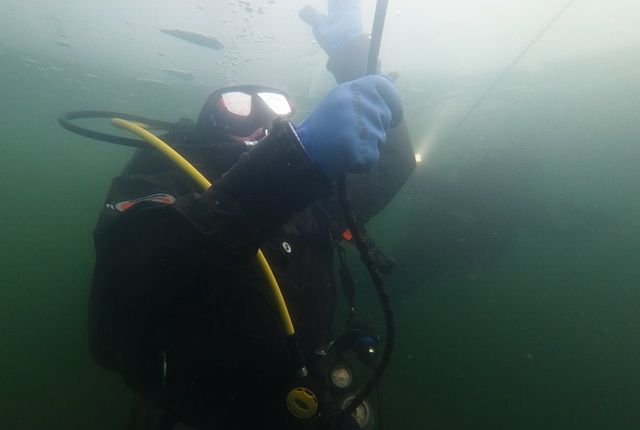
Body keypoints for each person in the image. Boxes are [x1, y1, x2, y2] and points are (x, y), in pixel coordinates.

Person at [88, 1, 415, 429]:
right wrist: (289, 165)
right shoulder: (163, 173)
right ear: (208, 122)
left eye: (276, 108)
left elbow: (391, 165)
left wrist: (353, 56)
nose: (259, 119)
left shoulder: (311, 193)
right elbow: (134, 281)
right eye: (238, 105)